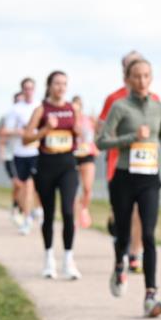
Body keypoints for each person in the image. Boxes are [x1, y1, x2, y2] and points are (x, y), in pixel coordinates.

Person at [96, 58, 161, 317]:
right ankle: (119, 265)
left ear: (151, 78)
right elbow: (102, 142)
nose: (142, 81)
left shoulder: (159, 107)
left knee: (149, 235)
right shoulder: (120, 107)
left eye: (146, 76)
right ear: (128, 79)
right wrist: (132, 137)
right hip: (123, 177)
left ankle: (150, 295)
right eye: (137, 76)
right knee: (122, 233)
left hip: (149, 177)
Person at [98, 50, 161, 274]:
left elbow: (158, 132)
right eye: (132, 66)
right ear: (125, 73)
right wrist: (129, 138)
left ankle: (135, 254)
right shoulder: (114, 99)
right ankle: (120, 237)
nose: (140, 77)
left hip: (146, 167)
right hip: (119, 164)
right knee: (123, 213)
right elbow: (102, 132)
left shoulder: (155, 100)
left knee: (140, 212)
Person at [23, 71, 83, 280]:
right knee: (48, 214)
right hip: (46, 165)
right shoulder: (41, 110)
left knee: (68, 212)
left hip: (67, 165)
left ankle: (68, 259)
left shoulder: (72, 108)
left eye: (64, 84)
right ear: (49, 86)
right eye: (57, 83)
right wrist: (45, 130)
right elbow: (26, 139)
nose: (61, 87)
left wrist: (78, 131)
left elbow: (82, 135)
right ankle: (49, 258)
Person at [1, 79, 42, 235]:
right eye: (26, 88)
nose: (28, 91)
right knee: (24, 187)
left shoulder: (39, 107)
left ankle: (35, 212)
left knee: (33, 186)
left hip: (36, 152)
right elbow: (5, 130)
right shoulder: (15, 109)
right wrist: (18, 132)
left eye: (31, 88)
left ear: (34, 89)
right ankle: (27, 218)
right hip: (20, 153)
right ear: (22, 90)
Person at [0, 90, 25, 223]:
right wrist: (1, 151)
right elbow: (1, 133)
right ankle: (17, 207)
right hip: (10, 154)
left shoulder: (29, 114)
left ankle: (20, 207)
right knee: (17, 183)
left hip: (25, 153)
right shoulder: (7, 116)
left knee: (24, 185)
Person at [72, 95, 99, 230]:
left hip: (88, 155)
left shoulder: (88, 120)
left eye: (79, 105)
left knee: (87, 188)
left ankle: (84, 209)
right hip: (73, 156)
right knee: (73, 189)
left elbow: (97, 134)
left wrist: (97, 125)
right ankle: (74, 219)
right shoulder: (69, 121)